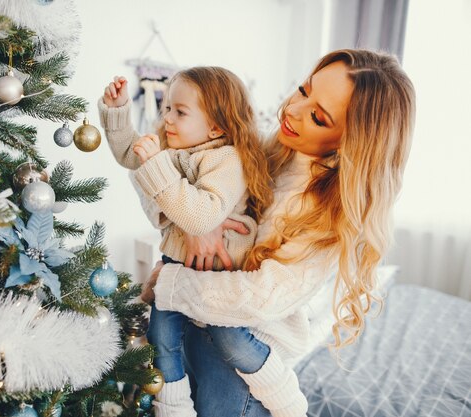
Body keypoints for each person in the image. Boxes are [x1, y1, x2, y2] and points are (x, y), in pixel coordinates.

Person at [140, 49, 416, 417]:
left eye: (318, 116)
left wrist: (171, 283)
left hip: (236, 374)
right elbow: (174, 193)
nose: (293, 110)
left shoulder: (330, 212)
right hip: (191, 332)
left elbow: (260, 297)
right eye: (304, 90)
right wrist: (199, 222)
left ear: (351, 142)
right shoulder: (268, 152)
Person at [98, 67, 310, 416]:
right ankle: (174, 407)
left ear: (216, 126)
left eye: (180, 112)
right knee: (162, 339)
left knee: (232, 341)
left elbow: (200, 217)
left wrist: (156, 164)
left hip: (217, 277)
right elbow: (130, 155)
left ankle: (286, 398)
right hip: (176, 267)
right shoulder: (175, 149)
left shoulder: (227, 160)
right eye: (166, 108)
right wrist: (119, 112)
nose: (167, 118)